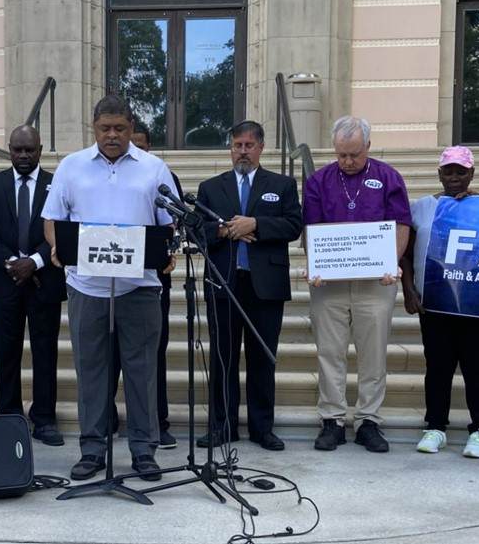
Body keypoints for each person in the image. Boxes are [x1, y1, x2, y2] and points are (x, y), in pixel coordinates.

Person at [42, 95, 177, 482]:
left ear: (131, 128)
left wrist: (168, 251)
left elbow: (168, 223)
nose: (113, 136)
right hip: (87, 289)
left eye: (120, 128)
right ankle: (92, 450)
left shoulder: (154, 168)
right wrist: (56, 246)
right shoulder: (71, 167)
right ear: (94, 128)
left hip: (140, 288)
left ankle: (143, 450)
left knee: (142, 371)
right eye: (105, 129)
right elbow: (53, 218)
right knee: (92, 372)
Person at [304, 116, 410, 453]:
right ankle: (332, 420)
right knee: (330, 353)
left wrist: (391, 262)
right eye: (341, 155)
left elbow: (401, 225)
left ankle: (368, 420)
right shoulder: (319, 180)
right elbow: (312, 229)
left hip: (375, 282)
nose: (348, 162)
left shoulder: (388, 177)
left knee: (373, 354)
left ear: (367, 146)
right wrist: (314, 264)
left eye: (354, 155)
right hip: (330, 284)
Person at [194, 120, 302, 451]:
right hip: (224, 283)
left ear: (261, 148)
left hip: (265, 287)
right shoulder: (211, 187)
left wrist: (256, 223)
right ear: (230, 148)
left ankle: (261, 428)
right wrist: (226, 231)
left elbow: (294, 225)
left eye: (249, 145)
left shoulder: (281, 184)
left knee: (261, 359)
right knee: (223, 359)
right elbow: (197, 230)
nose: (242, 151)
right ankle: (222, 426)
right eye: (237, 145)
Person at [400, 146, 479, 458]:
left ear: (472, 173)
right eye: (448, 171)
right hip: (435, 301)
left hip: (478, 301)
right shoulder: (421, 208)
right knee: (438, 365)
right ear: (439, 173)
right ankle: (436, 427)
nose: (454, 177)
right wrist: (409, 289)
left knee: (478, 366)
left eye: (461, 171)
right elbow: (405, 253)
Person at [0, 125, 66, 446]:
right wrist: (12, 263)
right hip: (5, 281)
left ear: (40, 150)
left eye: (30, 150)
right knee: (6, 352)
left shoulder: (57, 184)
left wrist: (35, 261)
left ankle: (44, 419)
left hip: (45, 279)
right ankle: (10, 415)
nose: (23, 156)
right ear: (9, 149)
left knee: (45, 351)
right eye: (17, 150)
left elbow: (64, 227)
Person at [125, 120, 180, 449]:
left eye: (141, 146)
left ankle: (157, 422)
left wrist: (170, 253)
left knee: (152, 355)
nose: (136, 151)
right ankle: (108, 420)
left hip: (151, 281)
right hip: (109, 281)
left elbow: (173, 224)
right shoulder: (102, 176)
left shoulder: (161, 175)